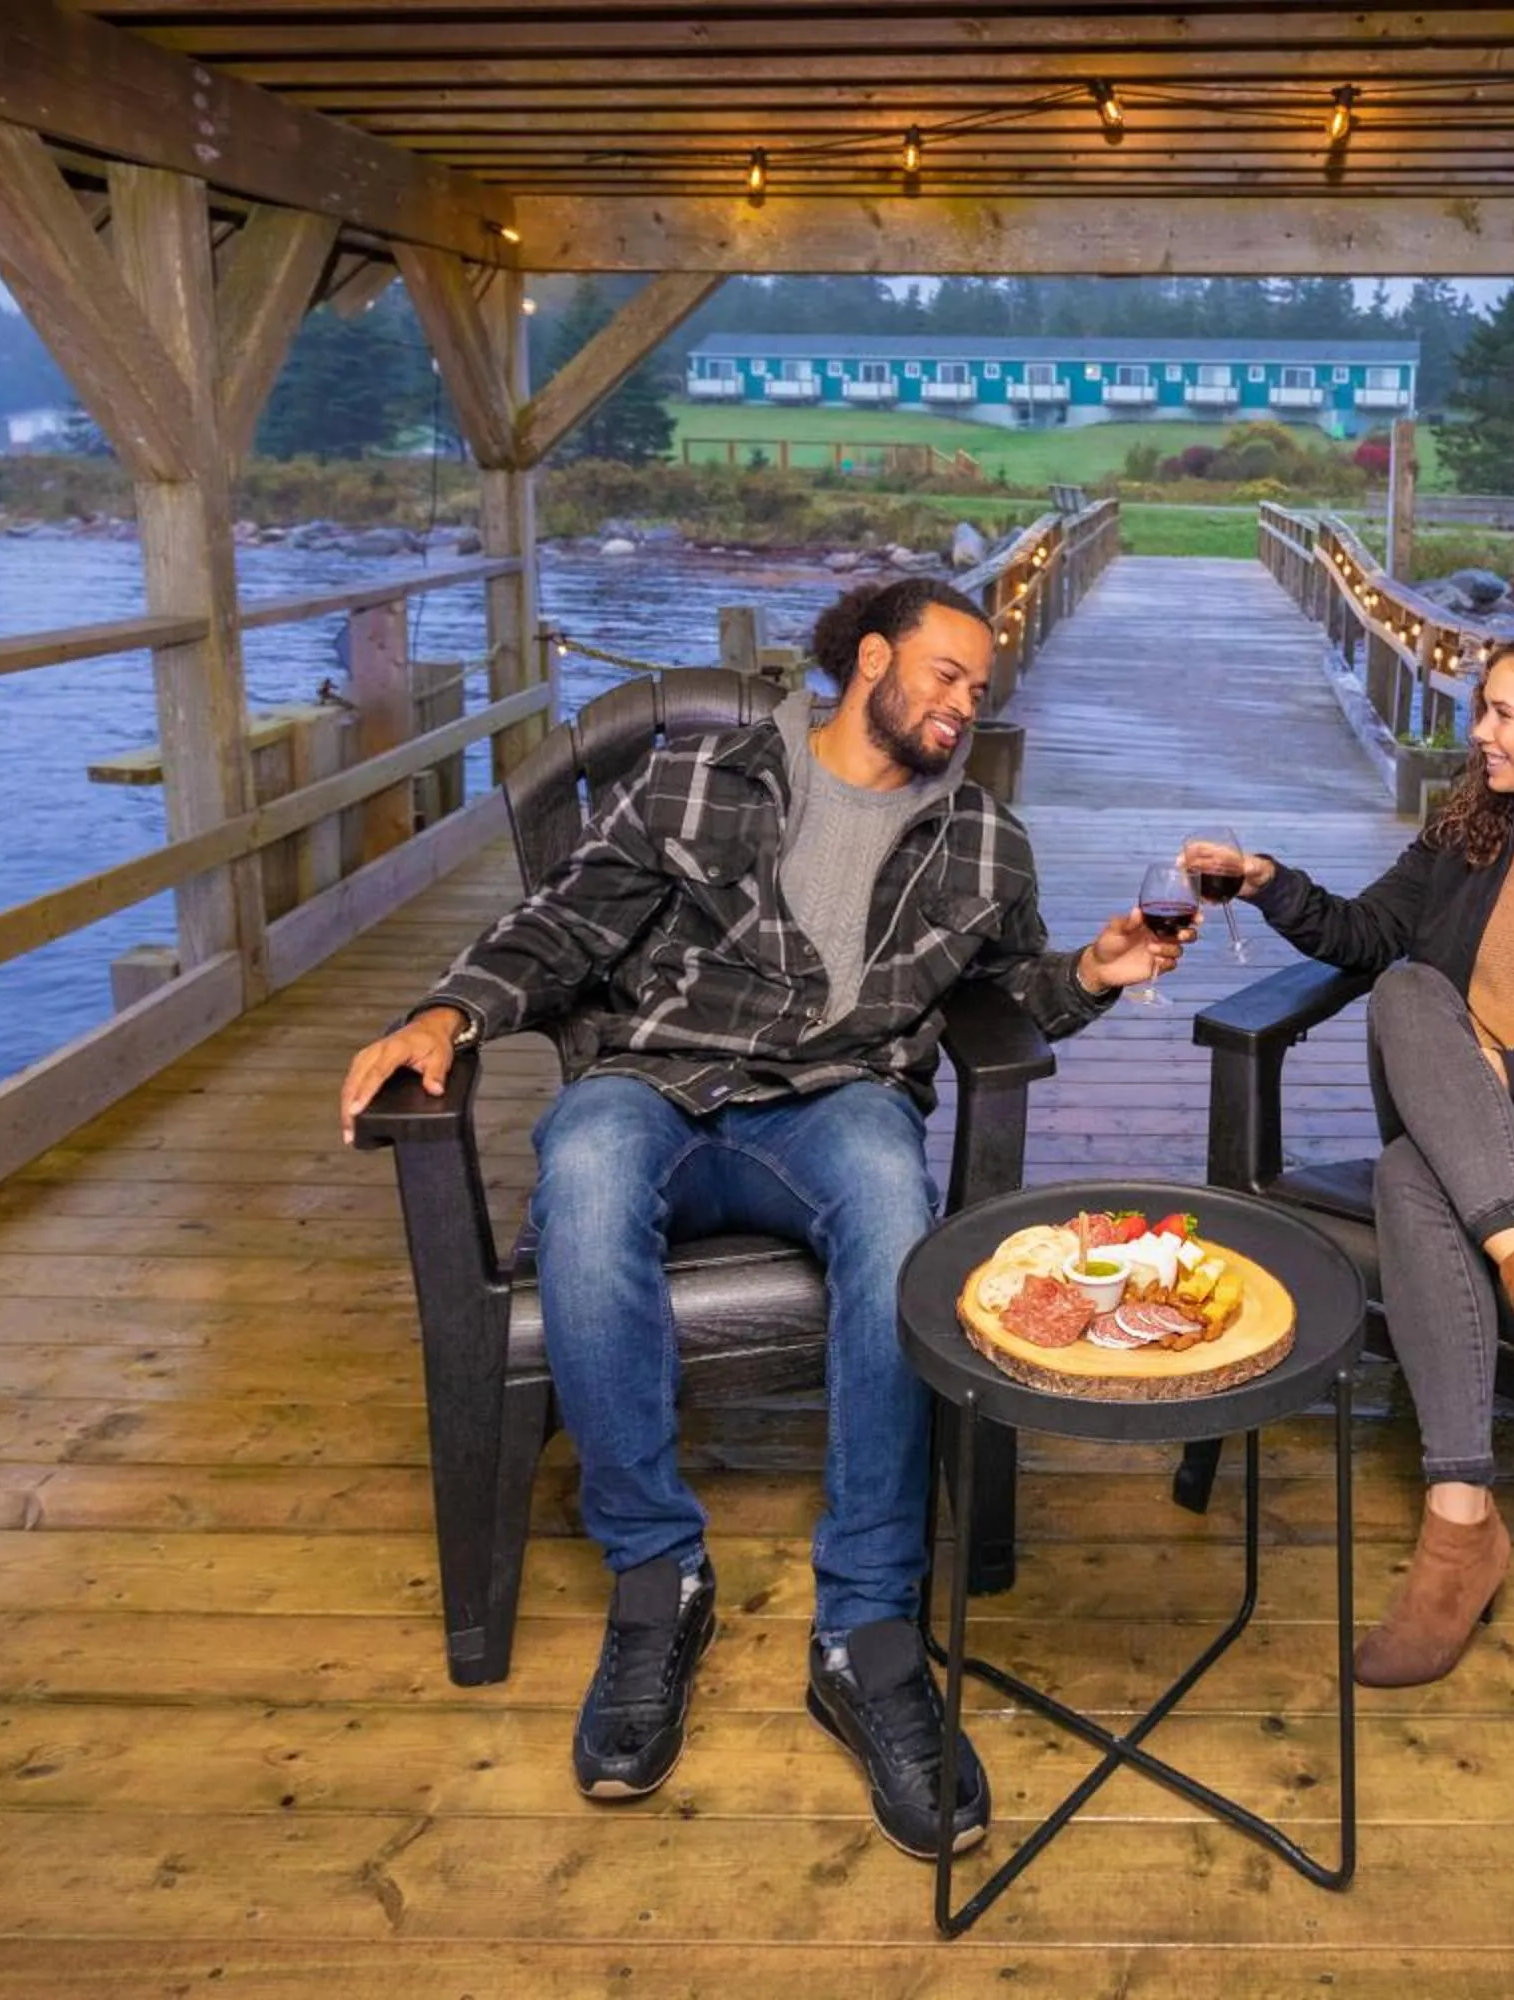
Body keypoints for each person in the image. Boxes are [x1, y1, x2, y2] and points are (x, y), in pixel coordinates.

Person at [338, 578, 1186, 1856]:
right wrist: (448, 1011)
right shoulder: (700, 779)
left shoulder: (984, 840)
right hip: (660, 1082)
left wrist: (1095, 975)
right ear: (874, 660)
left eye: (982, 687)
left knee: (897, 1206)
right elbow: (565, 924)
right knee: (585, 1171)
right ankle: (655, 1576)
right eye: (949, 673)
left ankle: (866, 1626)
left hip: (835, 1102)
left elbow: (1013, 991)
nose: (968, 701)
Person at [1187, 628, 1514, 1690]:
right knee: (1402, 988)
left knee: (1407, 1177)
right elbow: (1366, 932)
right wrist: (1263, 881)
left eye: (1501, 714)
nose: (1477, 731)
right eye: (1481, 709)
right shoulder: (1473, 825)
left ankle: (1460, 1524)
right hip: (1464, 1122)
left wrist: (1505, 1078)